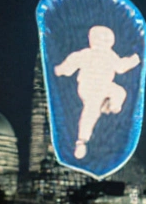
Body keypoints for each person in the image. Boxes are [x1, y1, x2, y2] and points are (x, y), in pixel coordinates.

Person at [53, 25, 140, 160]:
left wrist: (134, 60)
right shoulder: (87, 54)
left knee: (119, 92)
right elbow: (71, 63)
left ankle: (110, 106)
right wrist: (60, 69)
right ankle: (81, 141)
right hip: (89, 87)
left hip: (105, 86)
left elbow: (121, 66)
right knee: (91, 110)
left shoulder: (110, 56)